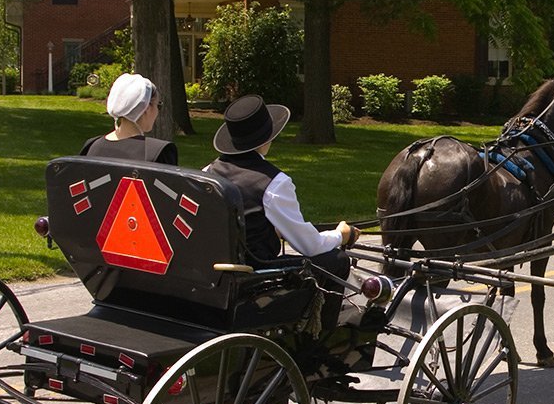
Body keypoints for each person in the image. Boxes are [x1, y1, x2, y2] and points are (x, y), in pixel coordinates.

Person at [205, 94, 359, 274]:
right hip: (254, 274)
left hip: (213, 271)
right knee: (337, 260)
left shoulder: (208, 172)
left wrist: (270, 231)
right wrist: (341, 235)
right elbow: (310, 246)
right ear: (267, 138)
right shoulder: (275, 184)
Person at [81, 73, 177, 164]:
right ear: (146, 108)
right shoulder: (157, 152)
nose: (157, 112)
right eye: (158, 105)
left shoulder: (92, 146)